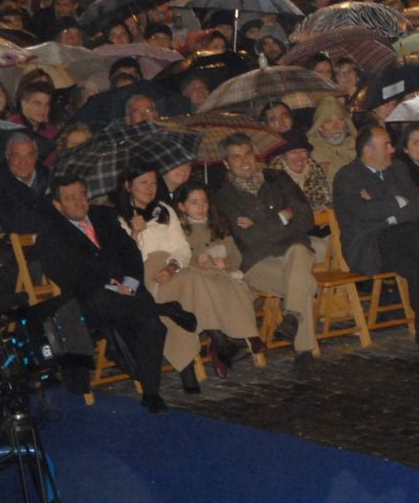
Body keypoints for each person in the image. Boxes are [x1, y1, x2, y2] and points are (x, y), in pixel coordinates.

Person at [333, 125, 419, 361]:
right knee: (409, 238)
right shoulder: (347, 176)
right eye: (386, 145)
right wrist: (399, 201)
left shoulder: (397, 168)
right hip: (370, 247)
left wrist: (389, 213)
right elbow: (364, 212)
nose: (392, 149)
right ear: (368, 151)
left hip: (406, 243)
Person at [35, 176, 174, 413]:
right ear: (58, 205)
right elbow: (69, 277)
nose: (79, 202)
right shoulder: (51, 233)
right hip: (89, 298)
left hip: (126, 293)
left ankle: (151, 393)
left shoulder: (103, 216)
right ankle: (168, 309)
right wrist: (111, 286)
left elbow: (130, 252)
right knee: (106, 301)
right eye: (70, 198)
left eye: (82, 195)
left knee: (153, 325)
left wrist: (128, 285)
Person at [113, 165, 259, 384]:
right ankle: (219, 339)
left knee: (190, 289)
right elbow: (125, 259)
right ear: (128, 185)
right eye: (143, 182)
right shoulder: (118, 217)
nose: (150, 188)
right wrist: (135, 233)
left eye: (153, 182)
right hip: (145, 271)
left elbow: (181, 247)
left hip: (175, 266)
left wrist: (171, 266)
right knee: (194, 281)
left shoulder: (164, 210)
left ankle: (194, 360)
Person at [211, 133, 319, 380]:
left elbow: (306, 217)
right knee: (304, 283)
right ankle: (300, 341)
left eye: (248, 153)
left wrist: (261, 225)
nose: (245, 161)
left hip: (294, 253)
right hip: (258, 262)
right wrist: (282, 216)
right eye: (236, 157)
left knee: (299, 252)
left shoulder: (277, 179)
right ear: (226, 163)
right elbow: (249, 240)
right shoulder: (225, 197)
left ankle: (295, 329)